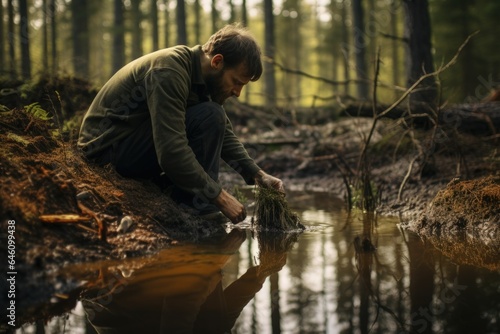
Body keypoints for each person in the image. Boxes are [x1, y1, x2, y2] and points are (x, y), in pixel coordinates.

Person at [77, 23, 284, 224]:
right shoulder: (170, 71)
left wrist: (258, 175)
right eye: (237, 82)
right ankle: (197, 207)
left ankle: (191, 200)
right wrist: (219, 197)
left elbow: (224, 133)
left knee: (213, 115)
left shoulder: (200, 78)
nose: (237, 93)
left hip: (129, 146)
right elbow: (171, 152)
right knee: (211, 114)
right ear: (217, 62)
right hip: (105, 152)